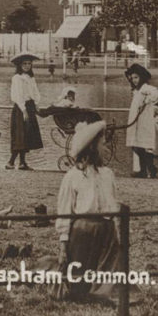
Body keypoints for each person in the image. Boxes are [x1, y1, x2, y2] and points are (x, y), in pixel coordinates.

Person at [55, 121, 121, 303]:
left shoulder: (107, 174)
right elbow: (65, 210)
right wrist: (63, 244)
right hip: (83, 231)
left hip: (106, 229)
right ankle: (81, 287)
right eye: (102, 143)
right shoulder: (73, 176)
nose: (105, 147)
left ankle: (101, 290)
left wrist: (117, 231)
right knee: (78, 284)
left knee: (109, 272)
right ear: (92, 147)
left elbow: (113, 205)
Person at [5, 53, 43, 170]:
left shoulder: (31, 78)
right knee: (19, 135)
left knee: (27, 135)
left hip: (30, 106)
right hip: (21, 108)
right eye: (24, 64)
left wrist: (36, 104)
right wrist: (24, 110)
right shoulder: (17, 78)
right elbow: (17, 95)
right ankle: (11, 162)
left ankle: (22, 162)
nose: (27, 66)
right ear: (20, 65)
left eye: (29, 64)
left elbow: (35, 92)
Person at [124, 63, 158, 178]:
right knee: (136, 145)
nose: (134, 80)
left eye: (136, 77)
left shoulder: (146, 88)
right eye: (132, 78)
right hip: (136, 121)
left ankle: (150, 169)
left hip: (144, 121)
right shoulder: (136, 90)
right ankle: (144, 170)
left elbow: (156, 93)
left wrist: (148, 100)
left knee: (143, 145)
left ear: (142, 77)